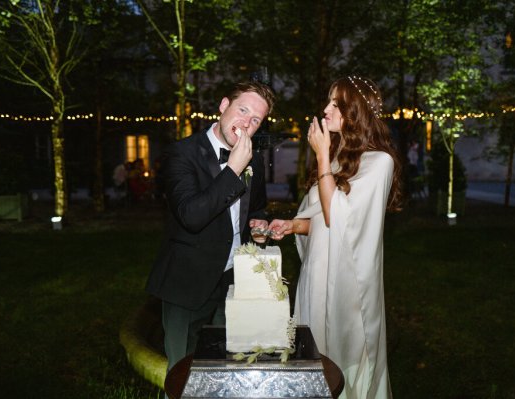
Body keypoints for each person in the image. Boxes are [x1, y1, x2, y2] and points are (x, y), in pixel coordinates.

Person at [269, 76, 402, 399]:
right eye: (327, 101)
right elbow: (323, 222)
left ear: (355, 113)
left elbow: (338, 217)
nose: (326, 110)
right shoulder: (339, 157)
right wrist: (293, 226)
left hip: (348, 283)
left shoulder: (379, 162)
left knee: (344, 357)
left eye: (335, 104)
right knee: (313, 350)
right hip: (317, 273)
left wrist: (321, 155)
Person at [145, 81, 276, 373]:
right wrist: (233, 170)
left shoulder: (251, 157)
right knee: (183, 373)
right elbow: (191, 215)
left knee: (226, 369)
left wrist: (259, 223)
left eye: (255, 119)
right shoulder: (182, 153)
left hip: (233, 280)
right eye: (242, 110)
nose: (246, 122)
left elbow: (256, 207)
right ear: (223, 105)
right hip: (187, 282)